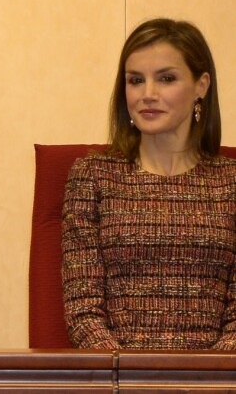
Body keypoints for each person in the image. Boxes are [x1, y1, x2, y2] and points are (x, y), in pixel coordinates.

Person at [62, 18, 236, 350]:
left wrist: (205, 381)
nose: (148, 94)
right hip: (118, 382)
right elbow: (83, 314)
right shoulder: (92, 176)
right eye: (136, 80)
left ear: (201, 85)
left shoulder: (231, 183)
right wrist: (131, 378)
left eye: (166, 79)